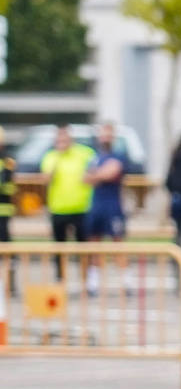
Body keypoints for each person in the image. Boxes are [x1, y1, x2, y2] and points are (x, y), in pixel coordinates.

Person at [39, 124, 96, 279]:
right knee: (59, 249)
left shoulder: (85, 153)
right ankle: (60, 280)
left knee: (83, 249)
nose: (63, 141)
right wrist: (57, 158)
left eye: (65, 138)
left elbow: (94, 173)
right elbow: (46, 179)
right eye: (59, 138)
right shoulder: (51, 156)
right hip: (58, 209)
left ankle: (86, 280)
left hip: (82, 208)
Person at [83, 121, 130, 295]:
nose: (105, 137)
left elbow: (110, 173)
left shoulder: (119, 155)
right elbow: (86, 179)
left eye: (108, 134)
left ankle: (125, 280)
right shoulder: (94, 157)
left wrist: (97, 174)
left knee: (118, 243)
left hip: (113, 206)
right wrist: (99, 174)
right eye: (103, 134)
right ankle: (93, 282)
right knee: (94, 243)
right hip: (97, 206)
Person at [0, 127, 14, 243]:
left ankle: (10, 260)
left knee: (4, 236)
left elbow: (4, 180)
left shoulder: (8, 160)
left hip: (3, 207)